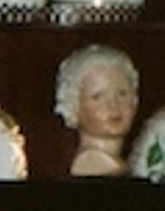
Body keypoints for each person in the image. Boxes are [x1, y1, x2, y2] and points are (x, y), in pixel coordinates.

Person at [55, 42, 139, 177]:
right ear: (73, 105)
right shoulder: (92, 165)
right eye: (97, 97)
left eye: (122, 94)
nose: (113, 105)